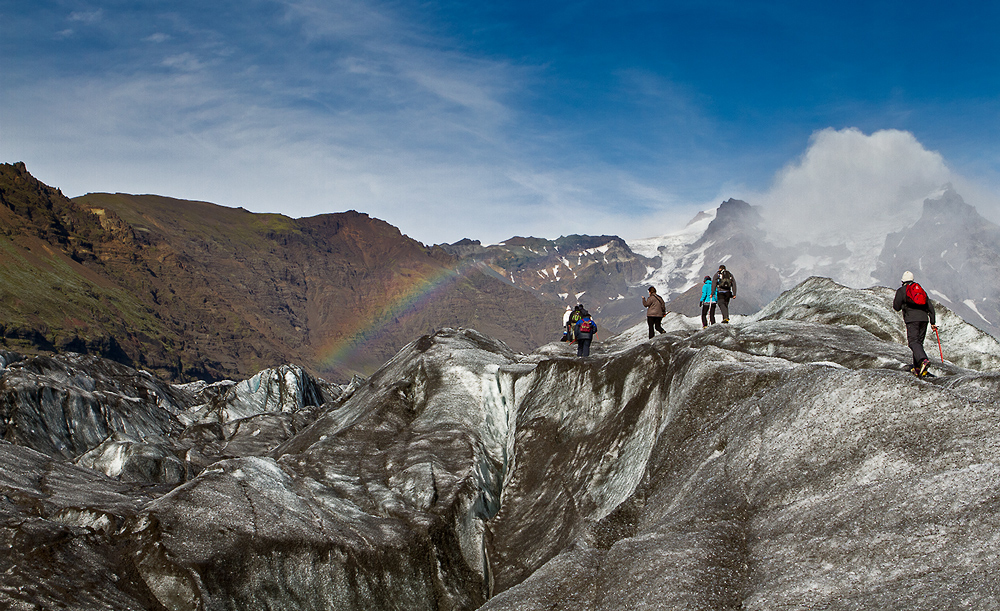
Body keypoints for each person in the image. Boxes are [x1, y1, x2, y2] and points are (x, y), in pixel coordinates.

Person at [892, 270, 937, 376]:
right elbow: (930, 307)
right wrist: (933, 322)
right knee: (918, 343)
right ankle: (918, 369)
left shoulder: (902, 291)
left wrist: (904, 304)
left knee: (913, 342)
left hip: (912, 320)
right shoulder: (920, 290)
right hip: (924, 320)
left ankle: (923, 360)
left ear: (903, 281)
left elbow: (896, 307)